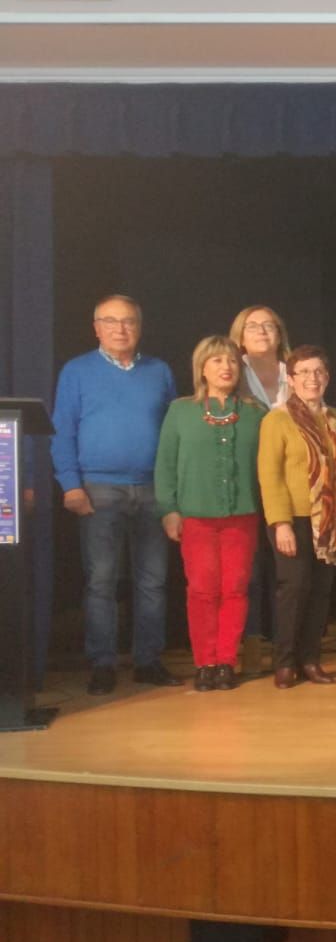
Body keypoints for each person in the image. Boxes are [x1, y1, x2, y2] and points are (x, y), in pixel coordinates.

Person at [51, 294, 181, 694]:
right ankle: (103, 664)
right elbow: (62, 431)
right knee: (101, 581)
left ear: (139, 327)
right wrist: (70, 484)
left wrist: (173, 492)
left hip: (153, 489)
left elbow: (174, 433)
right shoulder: (76, 371)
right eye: (111, 321)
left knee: (153, 581)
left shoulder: (160, 372)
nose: (121, 329)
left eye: (128, 322)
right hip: (98, 488)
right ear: (96, 328)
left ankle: (147, 661)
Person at [154, 336, 266, 691]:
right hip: (196, 516)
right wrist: (169, 509)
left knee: (235, 588)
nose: (226, 367)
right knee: (202, 589)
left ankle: (226, 662)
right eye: (217, 361)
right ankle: (205, 661)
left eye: (232, 360)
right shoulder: (181, 410)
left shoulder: (254, 412)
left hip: (242, 515)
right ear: (202, 368)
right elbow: (165, 465)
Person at [257, 345, 336, 688]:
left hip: (328, 520)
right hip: (294, 519)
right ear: (291, 378)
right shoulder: (277, 419)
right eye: (304, 373)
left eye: (318, 372)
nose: (312, 379)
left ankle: (311, 659)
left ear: (327, 377)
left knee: (319, 592)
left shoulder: (335, 418)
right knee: (294, 589)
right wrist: (280, 523)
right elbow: (269, 476)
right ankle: (284, 663)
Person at [229, 304, 291, 675]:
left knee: (286, 569)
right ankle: (251, 645)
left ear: (280, 333)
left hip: (288, 483)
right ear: (239, 335)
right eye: (253, 326)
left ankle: (285, 647)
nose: (262, 331)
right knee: (250, 570)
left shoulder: (295, 372)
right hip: (245, 481)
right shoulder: (232, 372)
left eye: (270, 325)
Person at [230, 305, 291, 409]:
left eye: (268, 326)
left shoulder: (297, 374)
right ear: (241, 338)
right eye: (252, 327)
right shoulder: (233, 375)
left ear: (279, 337)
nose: (261, 331)